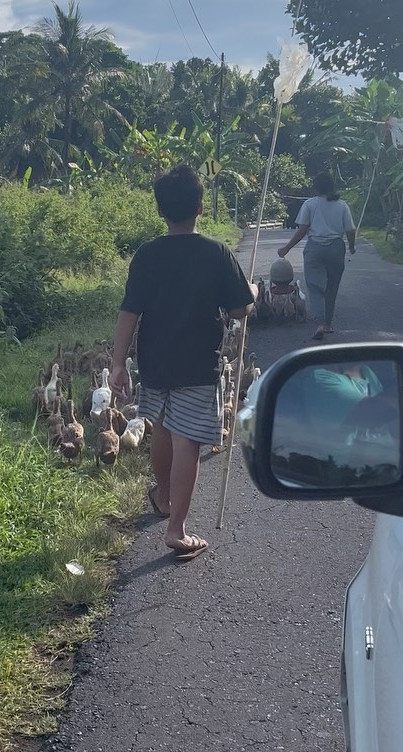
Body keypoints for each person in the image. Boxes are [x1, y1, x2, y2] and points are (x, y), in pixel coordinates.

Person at [109, 164, 256, 560]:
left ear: (160, 211)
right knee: (187, 439)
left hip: (155, 359)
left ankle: (163, 498)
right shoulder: (216, 252)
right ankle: (177, 529)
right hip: (196, 363)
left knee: (161, 427)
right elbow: (241, 308)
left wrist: (118, 362)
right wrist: (253, 290)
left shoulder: (147, 254)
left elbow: (129, 312)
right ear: (200, 207)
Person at [277, 171, 355, 341]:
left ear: (316, 187)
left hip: (315, 248)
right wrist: (352, 247)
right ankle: (327, 324)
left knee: (315, 287)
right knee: (332, 287)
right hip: (336, 247)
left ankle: (319, 323)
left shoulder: (310, 204)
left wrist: (286, 248)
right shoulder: (342, 206)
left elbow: (302, 230)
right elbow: (350, 230)